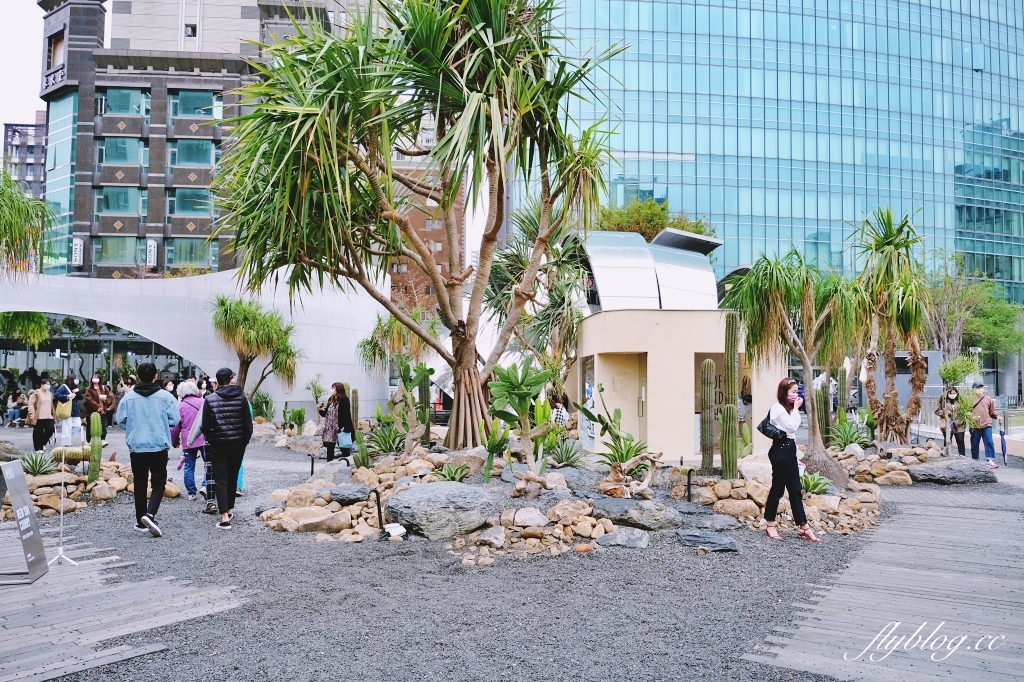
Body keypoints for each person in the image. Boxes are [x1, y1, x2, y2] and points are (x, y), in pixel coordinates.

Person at [115, 362, 180, 537]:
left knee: (140, 483)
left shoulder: (128, 398)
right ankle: (150, 514)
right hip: (158, 445)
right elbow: (175, 420)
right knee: (159, 483)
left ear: (137, 376)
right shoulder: (165, 397)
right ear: (155, 376)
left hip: (137, 447)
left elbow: (121, 421)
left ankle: (140, 521)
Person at [187, 367, 252, 530]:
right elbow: (248, 425)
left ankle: (224, 516)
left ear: (217, 381)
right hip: (237, 444)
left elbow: (206, 425)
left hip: (218, 445)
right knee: (232, 476)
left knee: (220, 479)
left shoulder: (210, 400)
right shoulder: (242, 399)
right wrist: (244, 440)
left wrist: (212, 438)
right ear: (230, 379)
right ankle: (229, 509)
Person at [763, 378, 820, 543]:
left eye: (797, 391)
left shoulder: (788, 409)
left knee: (795, 489)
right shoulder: (777, 409)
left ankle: (803, 526)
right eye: (793, 392)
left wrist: (795, 458)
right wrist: (795, 409)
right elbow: (791, 428)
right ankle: (770, 524)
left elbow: (792, 434)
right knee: (778, 489)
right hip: (780, 451)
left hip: (789, 451)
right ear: (784, 392)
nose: (796, 395)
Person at [170, 381, 207, 502]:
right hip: (204, 437)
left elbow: (175, 427)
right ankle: (206, 486)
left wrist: (174, 441)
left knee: (189, 466)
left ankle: (191, 493)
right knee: (209, 464)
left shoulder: (180, 406)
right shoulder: (203, 402)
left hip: (188, 440)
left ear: (180, 393)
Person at [318, 382, 355, 462]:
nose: (332, 390)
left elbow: (346, 415)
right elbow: (325, 414)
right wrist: (320, 410)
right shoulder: (330, 400)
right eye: (332, 388)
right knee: (330, 447)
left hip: (339, 428)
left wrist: (346, 428)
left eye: (333, 388)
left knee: (344, 448)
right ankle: (329, 465)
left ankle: (348, 464)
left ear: (338, 389)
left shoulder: (344, 400)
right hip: (329, 428)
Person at [969, 382, 1001, 468]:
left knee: (989, 442)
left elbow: (992, 411)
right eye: (978, 387)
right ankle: (975, 461)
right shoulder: (969, 399)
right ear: (974, 389)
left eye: (981, 387)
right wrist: (971, 416)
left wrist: (997, 416)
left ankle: (990, 460)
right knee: (974, 444)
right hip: (974, 426)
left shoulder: (988, 399)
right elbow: (966, 412)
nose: (980, 389)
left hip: (987, 424)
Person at [54, 376, 85, 448]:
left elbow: (80, 397)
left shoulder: (75, 387)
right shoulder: (63, 387)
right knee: (67, 427)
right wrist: (67, 396)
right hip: (67, 410)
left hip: (75, 410)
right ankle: (66, 443)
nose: (77, 380)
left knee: (77, 425)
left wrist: (78, 391)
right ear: (71, 379)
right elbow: (57, 395)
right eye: (75, 379)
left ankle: (67, 439)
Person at [934, 386, 966, 456]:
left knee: (960, 441)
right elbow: (937, 411)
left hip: (959, 424)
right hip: (947, 424)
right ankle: (946, 455)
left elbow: (966, 410)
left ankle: (962, 456)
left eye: (954, 393)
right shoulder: (943, 399)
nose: (952, 395)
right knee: (947, 441)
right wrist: (945, 412)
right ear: (948, 393)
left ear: (957, 393)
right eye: (950, 393)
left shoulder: (961, 400)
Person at [27, 379, 56, 452]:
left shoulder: (50, 394)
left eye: (49, 384)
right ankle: (37, 448)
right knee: (38, 432)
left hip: (48, 415)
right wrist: (31, 413)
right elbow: (31, 404)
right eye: (46, 384)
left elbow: (51, 405)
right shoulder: (35, 393)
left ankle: (43, 443)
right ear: (42, 384)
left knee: (50, 430)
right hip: (38, 416)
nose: (48, 386)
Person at [83, 374, 112, 445]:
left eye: (97, 378)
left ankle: (102, 439)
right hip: (91, 411)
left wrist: (105, 400)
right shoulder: (89, 389)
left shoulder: (104, 388)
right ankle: (89, 441)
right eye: (94, 377)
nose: (95, 379)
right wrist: (97, 407)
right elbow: (89, 399)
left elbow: (109, 398)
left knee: (102, 425)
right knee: (90, 425)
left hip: (102, 411)